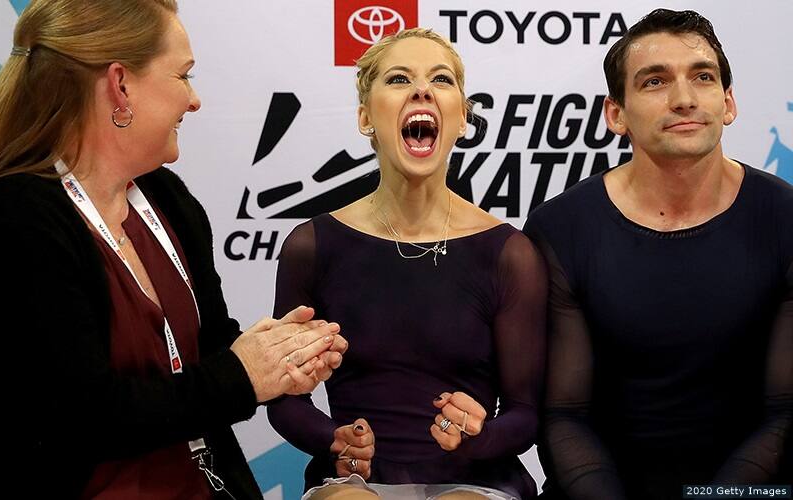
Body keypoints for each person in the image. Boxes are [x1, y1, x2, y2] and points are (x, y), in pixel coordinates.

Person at [0, 1, 347, 498]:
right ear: (121, 85)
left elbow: (207, 351)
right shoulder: (19, 217)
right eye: (183, 75)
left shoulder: (168, 198)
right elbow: (80, 415)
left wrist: (281, 360)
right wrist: (241, 376)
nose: (194, 100)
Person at [523, 9, 792, 500]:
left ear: (729, 102)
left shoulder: (785, 217)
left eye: (703, 77)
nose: (684, 99)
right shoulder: (560, 228)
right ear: (616, 115)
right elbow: (563, 415)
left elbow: (785, 412)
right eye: (655, 81)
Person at [267, 28, 547, 500]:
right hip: (354, 481)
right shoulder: (311, 245)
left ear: (462, 118)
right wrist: (335, 440)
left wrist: (479, 436)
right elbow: (285, 398)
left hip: (478, 481)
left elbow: (526, 412)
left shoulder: (509, 252)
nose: (421, 90)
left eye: (441, 79)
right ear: (365, 117)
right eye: (399, 79)